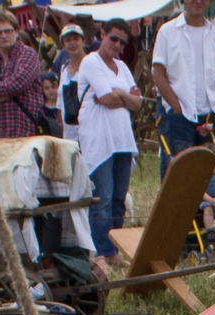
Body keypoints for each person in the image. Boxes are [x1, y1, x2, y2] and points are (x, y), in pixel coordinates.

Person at [79, 18, 140, 277]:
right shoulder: (90, 61)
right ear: (102, 34)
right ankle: (100, 253)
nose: (117, 45)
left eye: (122, 42)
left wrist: (121, 96)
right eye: (113, 38)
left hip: (122, 140)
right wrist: (124, 97)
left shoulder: (123, 66)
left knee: (118, 200)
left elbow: (137, 103)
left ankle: (113, 250)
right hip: (99, 140)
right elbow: (105, 98)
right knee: (101, 200)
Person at [153, 0, 215, 185]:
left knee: (211, 173)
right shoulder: (167, 31)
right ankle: (175, 214)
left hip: (209, 114)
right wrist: (176, 107)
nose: (198, 1)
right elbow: (158, 74)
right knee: (178, 173)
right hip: (179, 114)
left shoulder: (214, 33)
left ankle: (205, 213)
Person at [0, 11, 48, 140]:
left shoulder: (28, 54)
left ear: (16, 31)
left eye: (8, 31)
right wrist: (6, 93)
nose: (3, 35)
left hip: (25, 133)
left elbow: (18, 84)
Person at [56, 24, 88, 143]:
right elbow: (60, 98)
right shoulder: (64, 69)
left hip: (88, 130)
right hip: (69, 133)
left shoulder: (90, 65)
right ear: (63, 45)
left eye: (76, 39)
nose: (72, 43)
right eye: (68, 40)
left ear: (83, 41)